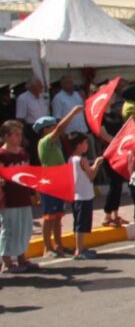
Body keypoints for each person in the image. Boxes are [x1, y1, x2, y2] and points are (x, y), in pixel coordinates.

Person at [35, 106, 83, 257]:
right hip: (49, 182)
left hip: (59, 181)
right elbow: (62, 128)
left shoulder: (55, 143)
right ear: (44, 130)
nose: (56, 128)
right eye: (52, 126)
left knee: (58, 215)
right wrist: (73, 113)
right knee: (49, 217)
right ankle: (47, 247)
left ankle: (58, 244)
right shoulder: (45, 141)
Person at [0, 120, 37, 273]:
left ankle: (22, 257)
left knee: (25, 228)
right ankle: (7, 262)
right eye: (16, 135)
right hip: (9, 199)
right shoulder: (2, 154)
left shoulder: (23, 153)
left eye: (20, 134)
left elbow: (28, 175)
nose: (19, 138)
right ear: (6, 136)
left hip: (23, 196)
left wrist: (34, 192)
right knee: (9, 230)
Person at [68, 132, 104, 260]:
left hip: (76, 194)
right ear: (79, 145)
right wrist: (97, 163)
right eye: (85, 143)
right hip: (83, 195)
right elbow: (91, 175)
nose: (87, 145)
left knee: (79, 223)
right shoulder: (81, 160)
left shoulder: (71, 159)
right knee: (81, 224)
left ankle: (80, 247)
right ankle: (79, 250)